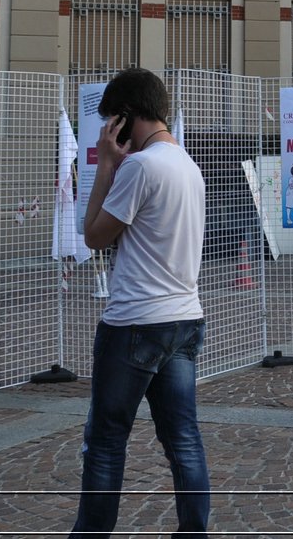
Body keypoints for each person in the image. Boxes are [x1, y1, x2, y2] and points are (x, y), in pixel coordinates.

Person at [70, 67, 209, 538]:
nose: (110, 130)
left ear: (125, 118)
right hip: (185, 318)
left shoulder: (140, 166)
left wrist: (107, 164)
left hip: (134, 322)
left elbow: (92, 236)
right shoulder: (189, 167)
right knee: (183, 440)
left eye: (112, 120)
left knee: (106, 443)